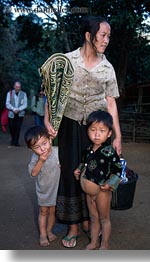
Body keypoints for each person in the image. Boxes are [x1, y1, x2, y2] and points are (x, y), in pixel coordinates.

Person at [43, 15, 122, 248]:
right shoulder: (67, 61)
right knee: (70, 172)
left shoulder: (108, 68)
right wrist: (48, 120)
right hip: (69, 125)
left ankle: (89, 219)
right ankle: (73, 225)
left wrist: (117, 135)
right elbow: (52, 94)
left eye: (109, 36)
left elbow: (111, 103)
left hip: (96, 129)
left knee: (94, 174)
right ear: (89, 36)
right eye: (103, 35)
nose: (107, 40)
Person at [74, 110, 123, 250]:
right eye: (93, 130)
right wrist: (78, 170)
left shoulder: (109, 152)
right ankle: (94, 242)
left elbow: (118, 170)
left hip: (102, 192)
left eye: (102, 130)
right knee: (93, 218)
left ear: (109, 133)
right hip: (89, 194)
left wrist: (110, 184)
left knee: (104, 218)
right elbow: (83, 163)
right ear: (88, 131)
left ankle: (104, 244)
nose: (96, 134)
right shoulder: (88, 149)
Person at [24, 126, 61, 247]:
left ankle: (49, 231)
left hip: (56, 189)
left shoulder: (57, 151)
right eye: (37, 147)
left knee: (52, 212)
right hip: (44, 190)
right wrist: (41, 160)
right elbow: (33, 173)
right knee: (43, 211)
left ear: (50, 139)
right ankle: (43, 234)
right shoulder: (35, 157)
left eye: (44, 143)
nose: (42, 149)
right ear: (31, 149)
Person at [6, 81, 27, 146]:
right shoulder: (10, 93)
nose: (18, 88)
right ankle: (13, 139)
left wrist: (18, 109)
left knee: (18, 127)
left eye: (19, 87)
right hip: (11, 114)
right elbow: (7, 103)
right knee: (11, 127)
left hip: (20, 114)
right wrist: (13, 109)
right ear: (14, 86)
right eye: (17, 87)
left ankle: (16, 142)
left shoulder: (24, 94)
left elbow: (25, 104)